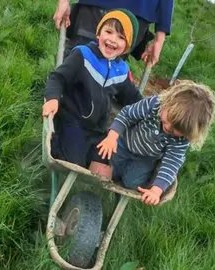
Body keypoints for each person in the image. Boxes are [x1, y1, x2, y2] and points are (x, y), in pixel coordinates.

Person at [42, 9, 143, 178]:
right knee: (74, 163)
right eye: (108, 32)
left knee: (104, 170)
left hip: (98, 130)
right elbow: (58, 78)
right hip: (72, 121)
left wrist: (151, 109)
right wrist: (52, 98)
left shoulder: (121, 71)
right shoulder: (83, 55)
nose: (112, 39)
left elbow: (132, 98)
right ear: (99, 33)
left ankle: (87, 194)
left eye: (121, 37)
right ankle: (62, 169)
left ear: (127, 47)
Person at [97, 80, 215, 205]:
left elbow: (172, 163)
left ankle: (121, 191)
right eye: (168, 120)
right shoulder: (154, 104)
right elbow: (127, 115)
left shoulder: (181, 139)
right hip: (125, 143)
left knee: (131, 184)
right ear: (167, 103)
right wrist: (112, 137)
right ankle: (108, 183)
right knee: (107, 166)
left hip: (146, 158)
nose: (169, 128)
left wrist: (156, 190)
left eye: (176, 129)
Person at [53, 0, 174, 66]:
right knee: (80, 62)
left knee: (103, 72)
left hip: (131, 14)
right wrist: (160, 36)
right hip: (136, 11)